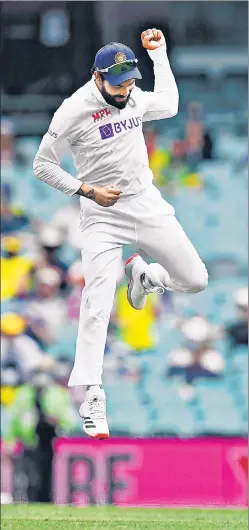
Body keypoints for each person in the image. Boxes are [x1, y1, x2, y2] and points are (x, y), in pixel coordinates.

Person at [33, 28, 208, 439]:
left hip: (144, 202)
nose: (126, 89)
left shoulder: (133, 94)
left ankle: (145, 277)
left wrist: (160, 54)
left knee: (196, 280)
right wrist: (86, 190)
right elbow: (43, 164)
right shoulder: (74, 109)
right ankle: (92, 394)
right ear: (97, 78)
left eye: (130, 80)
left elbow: (168, 104)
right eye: (118, 82)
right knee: (96, 298)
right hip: (101, 212)